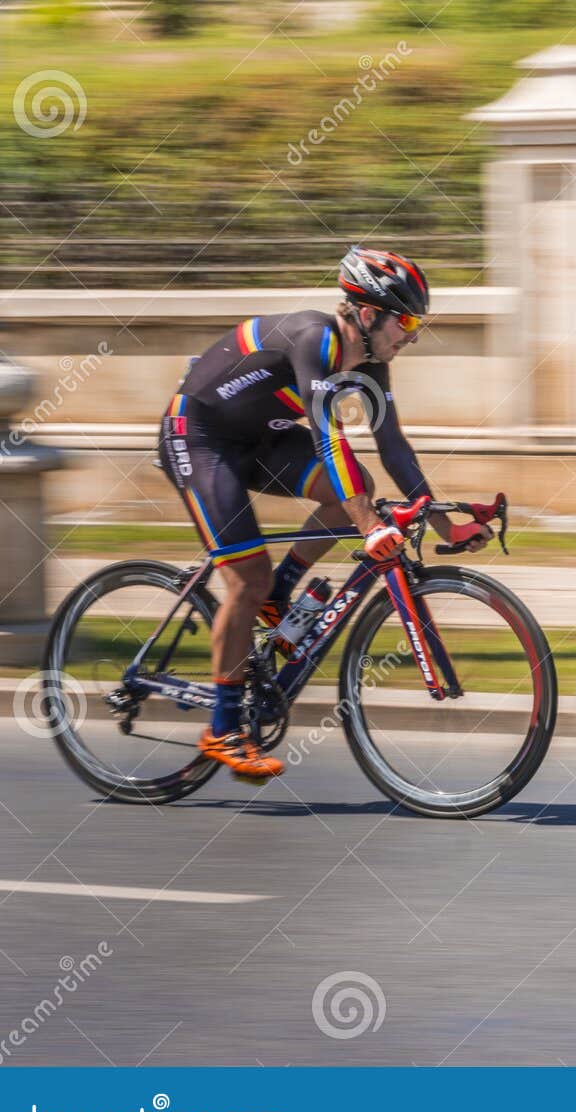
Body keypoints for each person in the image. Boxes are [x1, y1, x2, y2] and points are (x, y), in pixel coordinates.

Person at [157, 246, 491, 779]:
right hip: (200, 437)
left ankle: (278, 591)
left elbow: (394, 447)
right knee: (246, 576)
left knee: (354, 490)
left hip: (259, 438)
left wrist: (445, 522)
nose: (412, 334)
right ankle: (222, 729)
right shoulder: (316, 338)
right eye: (404, 320)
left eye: (417, 323)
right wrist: (370, 526)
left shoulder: (373, 364)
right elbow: (329, 440)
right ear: (366, 314)